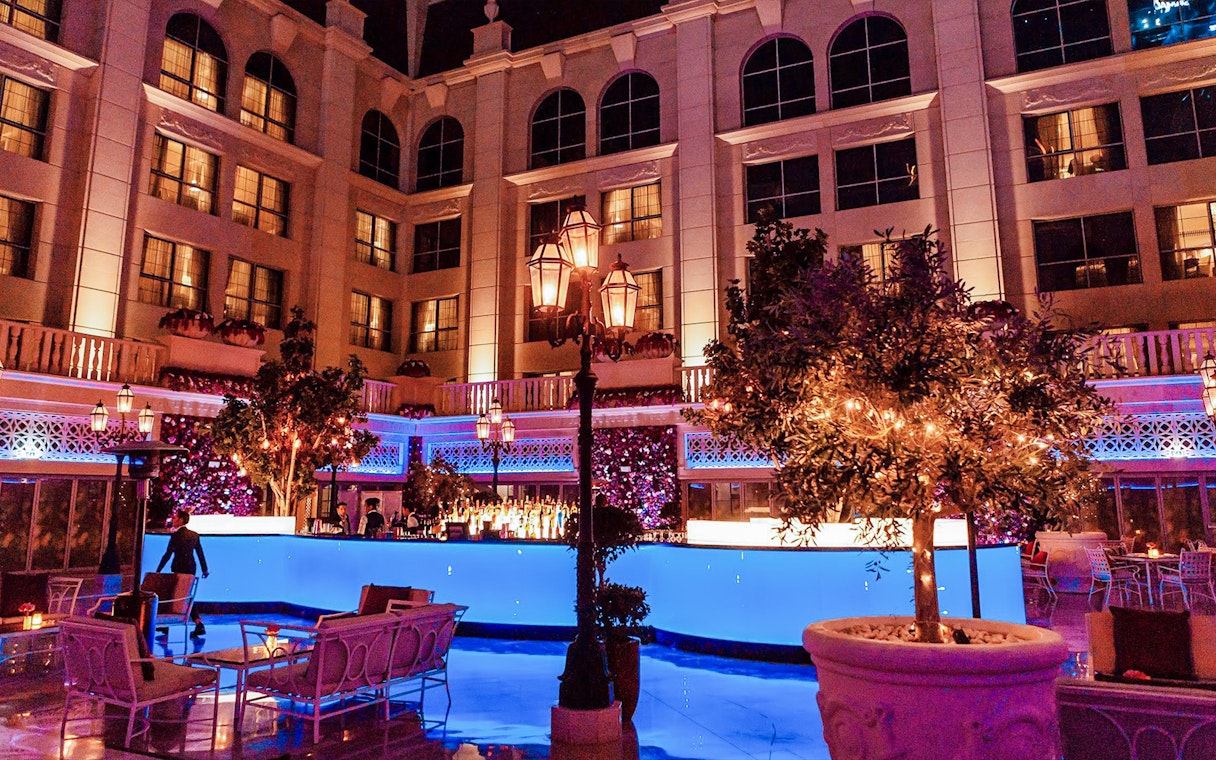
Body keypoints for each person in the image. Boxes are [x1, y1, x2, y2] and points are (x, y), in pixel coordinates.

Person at [155, 509, 209, 637]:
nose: (173, 520)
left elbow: (168, 554)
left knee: (172, 595)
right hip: (191, 568)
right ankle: (197, 623)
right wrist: (204, 569)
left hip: (178, 568)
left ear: (181, 520)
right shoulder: (194, 535)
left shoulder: (175, 536)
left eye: (175, 517)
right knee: (187, 595)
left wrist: (158, 570)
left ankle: (166, 625)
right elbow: (200, 553)